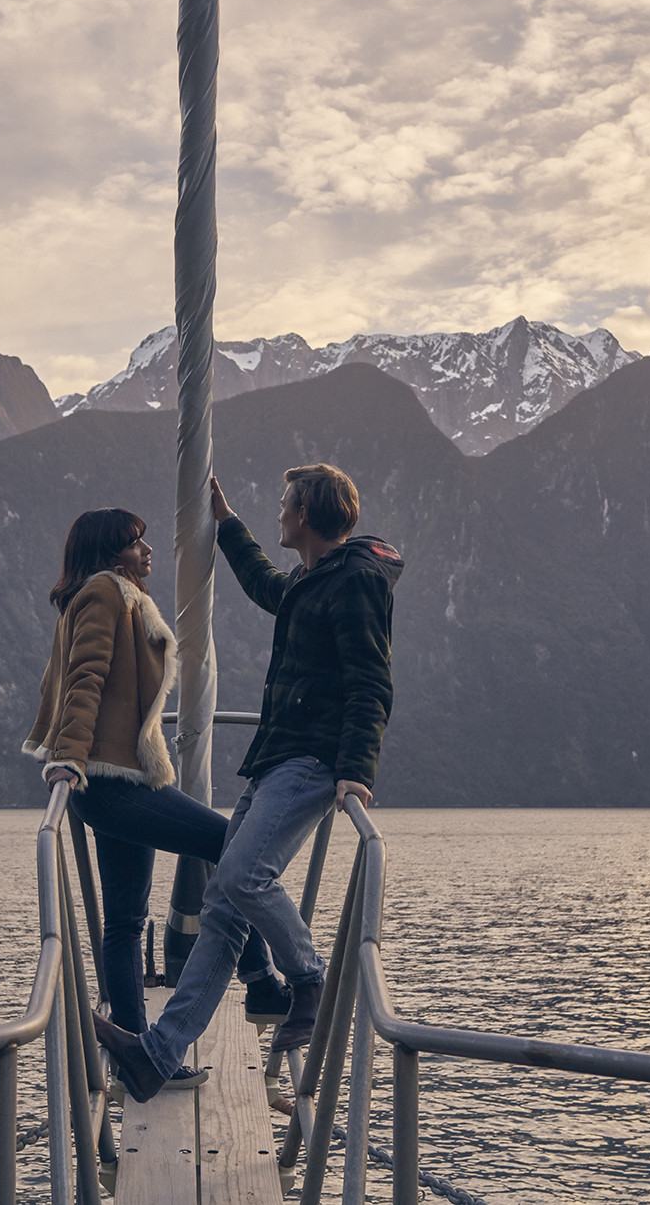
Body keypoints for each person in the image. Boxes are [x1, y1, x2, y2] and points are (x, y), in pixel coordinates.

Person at [93, 465, 403, 1103]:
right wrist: (226, 524)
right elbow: (265, 585)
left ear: (309, 513)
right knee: (223, 913)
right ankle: (156, 1057)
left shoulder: (358, 582)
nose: (279, 511)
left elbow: (372, 681)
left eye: (286, 503)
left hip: (313, 761)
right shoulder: (310, 579)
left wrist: (355, 771)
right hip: (275, 756)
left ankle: (308, 979)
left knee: (240, 877)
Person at [24, 508, 291, 1092]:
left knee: (124, 921)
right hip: (113, 782)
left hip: (114, 781)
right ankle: (261, 976)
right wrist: (68, 756)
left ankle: (138, 1056)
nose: (147, 551)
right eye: (135, 541)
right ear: (110, 552)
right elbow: (84, 678)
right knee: (231, 844)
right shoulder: (104, 593)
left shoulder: (106, 595)